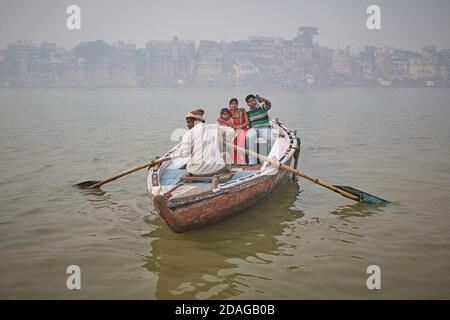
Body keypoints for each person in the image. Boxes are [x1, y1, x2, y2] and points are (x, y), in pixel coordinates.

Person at [171, 108, 234, 176]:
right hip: (215, 170)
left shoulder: (188, 133)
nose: (187, 124)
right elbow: (231, 131)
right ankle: (228, 173)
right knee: (226, 155)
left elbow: (184, 154)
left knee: (190, 162)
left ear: (196, 121)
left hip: (195, 172)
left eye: (189, 122)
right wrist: (221, 145)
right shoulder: (214, 127)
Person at [245, 94, 274, 165]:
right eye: (249, 101)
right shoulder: (248, 112)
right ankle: (251, 163)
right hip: (254, 129)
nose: (251, 102)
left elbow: (269, 104)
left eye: (253, 100)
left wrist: (263, 99)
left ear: (255, 101)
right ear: (248, 104)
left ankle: (270, 160)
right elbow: (247, 123)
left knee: (272, 139)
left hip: (265, 128)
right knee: (248, 138)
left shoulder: (261, 107)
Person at [228, 98, 249, 164]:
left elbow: (247, 123)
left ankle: (241, 160)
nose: (234, 105)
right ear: (230, 105)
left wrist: (239, 127)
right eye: (232, 104)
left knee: (241, 139)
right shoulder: (228, 112)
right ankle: (233, 159)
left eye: (235, 104)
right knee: (231, 139)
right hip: (233, 130)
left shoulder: (242, 111)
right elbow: (220, 118)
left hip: (243, 129)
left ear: (237, 105)